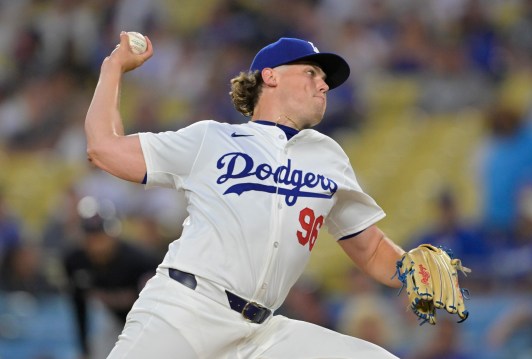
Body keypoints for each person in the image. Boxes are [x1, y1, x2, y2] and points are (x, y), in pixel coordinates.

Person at [85, 33, 409, 358]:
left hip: (261, 334)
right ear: (271, 76)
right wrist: (113, 67)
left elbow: (370, 248)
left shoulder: (328, 157)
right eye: (311, 73)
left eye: (324, 80)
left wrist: (412, 272)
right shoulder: (212, 139)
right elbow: (103, 147)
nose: (323, 85)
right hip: (186, 311)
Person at [63, 197, 160, 359]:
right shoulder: (75, 261)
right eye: (90, 234)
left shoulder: (140, 262)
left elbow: (156, 308)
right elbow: (79, 304)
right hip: (112, 321)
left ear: (113, 233)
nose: (96, 241)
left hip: (147, 324)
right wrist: (84, 348)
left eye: (100, 234)